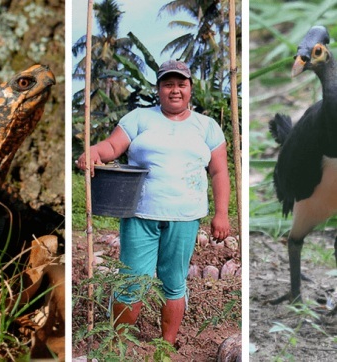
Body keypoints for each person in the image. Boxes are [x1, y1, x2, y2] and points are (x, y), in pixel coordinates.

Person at [77, 59, 230, 347]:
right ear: (158, 89)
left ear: (190, 89)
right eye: (168, 84)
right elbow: (112, 147)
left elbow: (220, 171)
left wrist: (221, 213)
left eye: (181, 85)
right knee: (130, 282)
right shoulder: (139, 119)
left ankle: (165, 345)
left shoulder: (207, 127)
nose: (175, 90)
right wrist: (93, 151)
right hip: (140, 213)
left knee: (173, 282)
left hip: (185, 217)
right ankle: (118, 345)